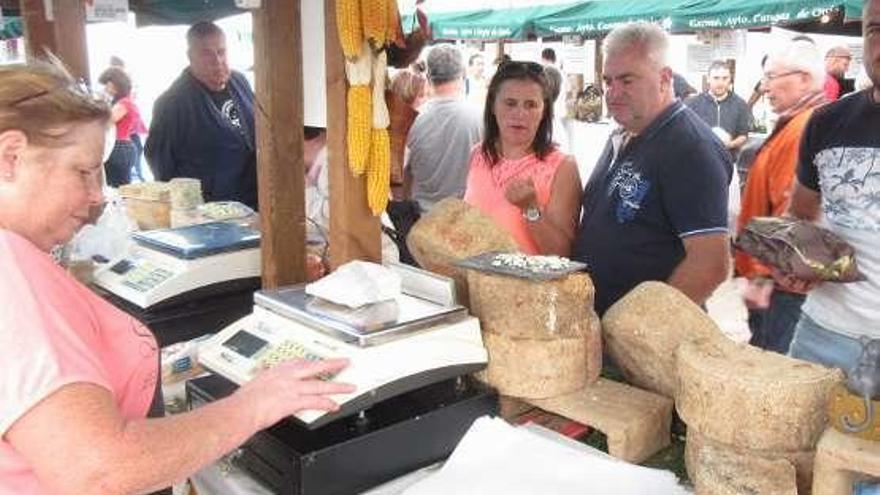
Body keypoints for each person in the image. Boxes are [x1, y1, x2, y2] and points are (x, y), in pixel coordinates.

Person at [0, 61, 353, 494]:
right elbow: (99, 469)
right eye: (83, 171)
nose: (96, 197)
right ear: (10, 156)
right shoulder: (9, 270)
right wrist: (253, 405)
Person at [572, 22, 731, 316]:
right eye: (608, 81)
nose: (613, 93)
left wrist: (642, 329)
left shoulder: (690, 148)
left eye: (627, 80)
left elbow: (710, 265)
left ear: (664, 78)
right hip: (602, 326)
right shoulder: (628, 129)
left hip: (639, 343)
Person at [786, 0, 880, 372]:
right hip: (824, 335)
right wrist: (798, 259)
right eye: (875, 30)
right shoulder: (826, 122)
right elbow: (801, 213)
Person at [735, 39, 827, 354]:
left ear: (803, 79)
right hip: (771, 279)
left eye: (772, 76)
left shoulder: (805, 128)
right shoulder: (796, 123)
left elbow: (793, 218)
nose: (765, 86)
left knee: (771, 364)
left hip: (779, 286)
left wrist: (759, 279)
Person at [463, 61, 581, 256]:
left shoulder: (563, 167)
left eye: (531, 105)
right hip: (475, 283)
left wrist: (530, 208)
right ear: (493, 106)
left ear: (544, 112)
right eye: (510, 103)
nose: (519, 114)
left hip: (530, 286)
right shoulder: (477, 154)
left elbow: (562, 254)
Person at [145, 21, 258, 210]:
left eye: (221, 52)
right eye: (207, 53)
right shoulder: (172, 103)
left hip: (252, 203)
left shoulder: (239, 81)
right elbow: (161, 166)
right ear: (191, 56)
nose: (217, 61)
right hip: (209, 212)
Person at [404, 44, 482, 213]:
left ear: (428, 75)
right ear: (462, 73)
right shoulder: (481, 117)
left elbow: (402, 177)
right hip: (467, 219)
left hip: (423, 221)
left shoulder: (411, 120)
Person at [685, 60, 752, 159]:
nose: (720, 82)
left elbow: (743, 135)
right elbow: (686, 134)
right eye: (716, 78)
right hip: (700, 160)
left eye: (725, 78)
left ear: (730, 79)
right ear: (708, 79)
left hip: (729, 161)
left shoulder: (740, 104)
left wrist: (729, 145)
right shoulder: (693, 104)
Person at [97, 67, 142, 188]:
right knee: (121, 188)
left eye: (108, 85)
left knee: (118, 190)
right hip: (123, 146)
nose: (106, 88)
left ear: (116, 85)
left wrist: (102, 100)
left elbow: (106, 121)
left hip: (119, 147)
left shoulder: (124, 103)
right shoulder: (126, 102)